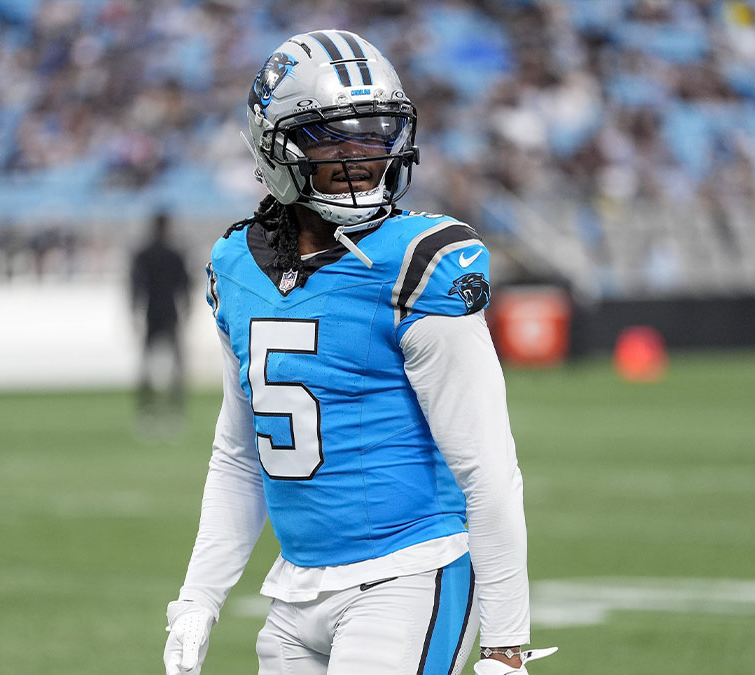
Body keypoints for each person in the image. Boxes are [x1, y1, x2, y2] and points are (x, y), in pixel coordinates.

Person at [163, 30, 555, 675]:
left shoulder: (419, 259)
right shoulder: (235, 263)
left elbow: (488, 466)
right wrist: (198, 599)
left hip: (410, 573)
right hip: (295, 592)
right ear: (274, 144)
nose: (362, 157)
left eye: (375, 135)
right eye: (332, 138)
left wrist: (506, 646)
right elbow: (241, 454)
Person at [130, 211, 191, 416]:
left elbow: (135, 285)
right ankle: (175, 408)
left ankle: (146, 407)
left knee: (146, 362)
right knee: (177, 363)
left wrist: (133, 310)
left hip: (151, 311)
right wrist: (187, 309)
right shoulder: (175, 252)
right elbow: (185, 284)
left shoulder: (143, 253)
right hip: (170, 310)